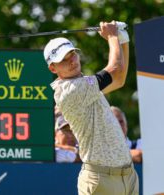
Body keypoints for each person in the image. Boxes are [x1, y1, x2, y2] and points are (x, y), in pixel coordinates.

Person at [43, 21, 139, 194]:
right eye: (63, 60)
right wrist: (111, 37)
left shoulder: (86, 85)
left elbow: (118, 80)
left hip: (127, 176)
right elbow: (115, 69)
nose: (71, 61)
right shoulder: (69, 90)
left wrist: (122, 40)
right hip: (100, 180)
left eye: (72, 54)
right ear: (52, 67)